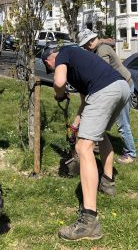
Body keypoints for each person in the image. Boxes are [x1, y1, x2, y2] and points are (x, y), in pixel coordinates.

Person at [42, 45, 130, 241]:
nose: (53, 69)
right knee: (99, 136)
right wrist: (75, 127)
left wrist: (59, 93)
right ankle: (107, 182)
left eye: (50, 67)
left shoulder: (64, 52)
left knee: (83, 147)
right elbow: (85, 103)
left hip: (105, 91)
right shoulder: (79, 66)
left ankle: (89, 221)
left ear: (50, 60)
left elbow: (59, 82)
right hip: (121, 88)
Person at [77, 29, 136, 164]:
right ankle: (98, 144)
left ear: (91, 40)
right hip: (120, 85)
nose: (85, 47)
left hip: (123, 86)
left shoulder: (102, 50)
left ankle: (130, 154)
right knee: (105, 117)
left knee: (122, 123)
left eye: (86, 44)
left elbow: (103, 71)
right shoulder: (99, 48)